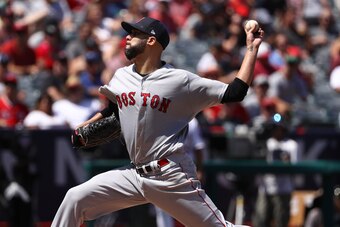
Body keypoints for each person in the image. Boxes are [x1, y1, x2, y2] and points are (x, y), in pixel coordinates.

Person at [51, 16, 264, 227]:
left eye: (135, 34)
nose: (127, 37)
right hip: (134, 175)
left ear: (151, 41)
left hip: (170, 174)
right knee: (75, 198)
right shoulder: (121, 76)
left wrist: (251, 49)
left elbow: (235, 91)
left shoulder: (181, 81)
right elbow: (114, 110)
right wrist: (88, 123)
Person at [252, 120, 299, 227]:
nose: (277, 131)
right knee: (261, 220)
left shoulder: (291, 145)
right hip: (265, 188)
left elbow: (296, 167)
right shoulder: (266, 143)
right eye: (275, 128)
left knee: (281, 221)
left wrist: (285, 161)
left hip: (283, 189)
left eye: (279, 128)